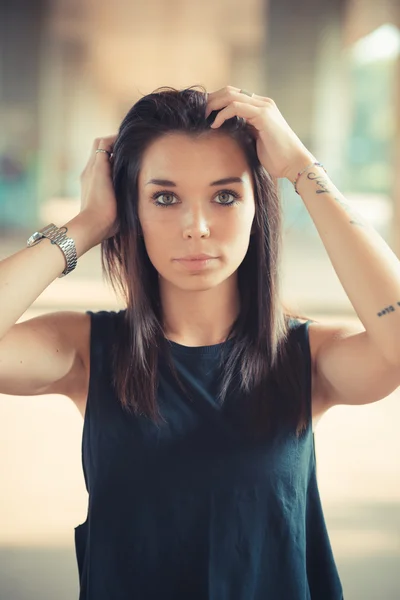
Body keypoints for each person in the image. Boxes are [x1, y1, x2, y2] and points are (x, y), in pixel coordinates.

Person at [1, 85, 399, 600]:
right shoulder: (87, 350)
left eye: (225, 195)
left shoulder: (308, 358)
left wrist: (302, 168)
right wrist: (86, 225)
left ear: (259, 209)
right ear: (132, 211)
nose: (196, 227)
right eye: (164, 198)